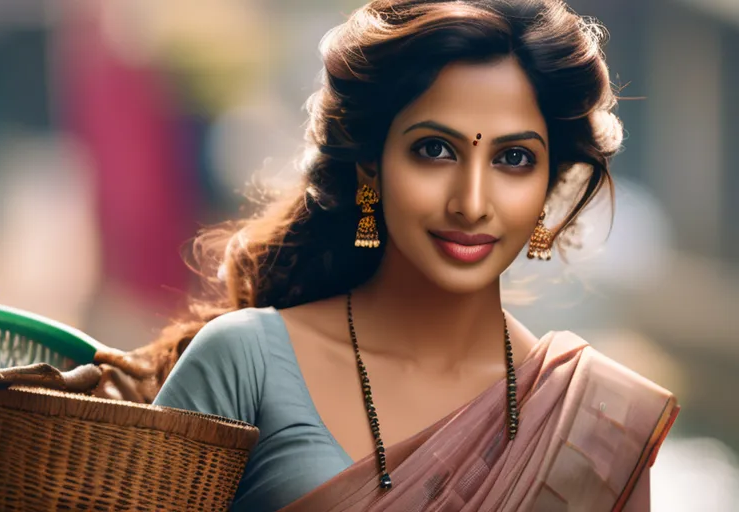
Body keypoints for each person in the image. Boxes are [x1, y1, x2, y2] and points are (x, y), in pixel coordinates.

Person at [152, 1, 679, 510]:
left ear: (549, 184)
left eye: (513, 158)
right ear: (369, 167)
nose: (471, 204)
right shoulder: (247, 365)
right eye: (435, 150)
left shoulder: (591, 422)